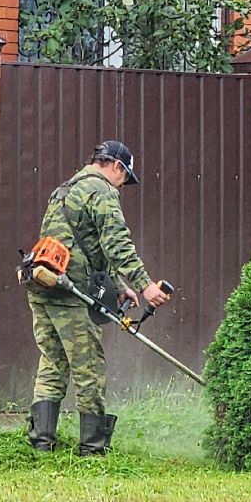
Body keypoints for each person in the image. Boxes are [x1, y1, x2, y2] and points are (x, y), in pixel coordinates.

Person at [26, 139, 170, 455]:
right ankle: (92, 448)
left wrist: (118, 286)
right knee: (88, 366)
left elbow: (83, 245)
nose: (124, 184)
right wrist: (145, 285)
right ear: (115, 165)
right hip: (71, 294)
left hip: (43, 283)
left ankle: (41, 444)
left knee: (52, 362)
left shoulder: (64, 190)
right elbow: (116, 244)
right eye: (125, 176)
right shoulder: (103, 191)